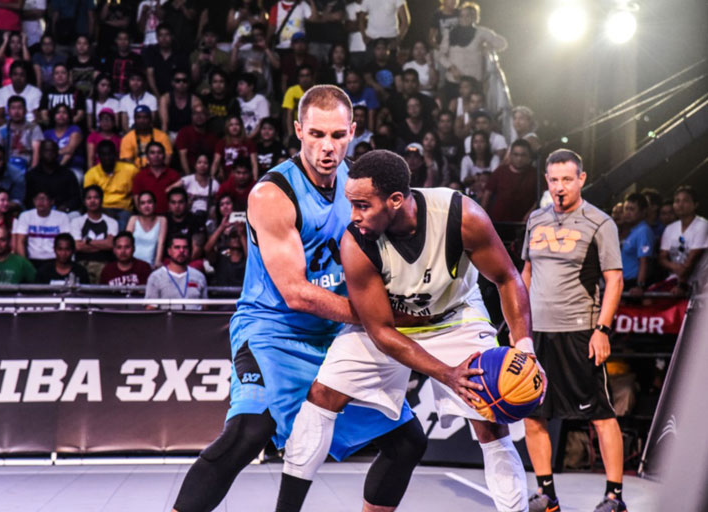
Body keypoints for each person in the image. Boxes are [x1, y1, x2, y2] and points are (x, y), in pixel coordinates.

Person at [170, 85, 412, 512]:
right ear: (298, 130)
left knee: (407, 442)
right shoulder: (272, 194)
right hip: (273, 329)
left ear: (353, 131)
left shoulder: (360, 188)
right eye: (316, 134)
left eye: (337, 135)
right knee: (248, 433)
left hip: (335, 334)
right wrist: (378, 318)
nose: (327, 147)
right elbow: (296, 293)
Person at [277, 148, 540, 512]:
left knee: (490, 422)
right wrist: (446, 373)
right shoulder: (356, 242)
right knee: (322, 394)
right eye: (350, 204)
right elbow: (381, 331)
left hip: (454, 317)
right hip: (393, 324)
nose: (353, 216)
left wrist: (524, 347)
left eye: (362, 205)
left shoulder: (461, 216)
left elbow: (508, 279)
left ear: (396, 200)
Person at [522, 149, 626, 512]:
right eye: (553, 180)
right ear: (546, 181)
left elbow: (614, 280)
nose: (559, 187)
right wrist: (520, 327)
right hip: (538, 333)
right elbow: (526, 274)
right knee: (533, 414)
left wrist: (602, 330)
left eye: (567, 179)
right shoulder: (535, 220)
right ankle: (546, 494)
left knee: (600, 414)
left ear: (581, 179)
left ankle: (614, 497)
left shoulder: (600, 222)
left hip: (580, 332)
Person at [658, 185, 708, 296]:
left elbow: (692, 260)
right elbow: (662, 258)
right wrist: (676, 267)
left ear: (695, 205)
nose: (680, 205)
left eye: (685, 201)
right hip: (674, 280)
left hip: (699, 284)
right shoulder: (670, 228)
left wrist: (682, 284)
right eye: (677, 201)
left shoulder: (703, 225)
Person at [84, 140, 138, 230]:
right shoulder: (91, 174)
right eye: (104, 155)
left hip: (124, 209)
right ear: (98, 156)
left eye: (110, 154)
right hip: (101, 209)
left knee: (121, 226)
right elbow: (89, 199)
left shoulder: (131, 170)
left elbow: (139, 191)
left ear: (116, 155)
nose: (107, 157)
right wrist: (104, 211)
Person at [145, 233, 207, 310]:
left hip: (195, 317)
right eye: (177, 247)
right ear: (169, 251)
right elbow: (151, 309)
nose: (181, 251)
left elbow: (205, 308)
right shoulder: (156, 277)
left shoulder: (199, 276)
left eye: (185, 247)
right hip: (167, 317)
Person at [481, 139, 538, 223]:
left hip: (524, 224)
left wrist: (531, 214)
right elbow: (486, 195)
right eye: (516, 155)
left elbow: (541, 197)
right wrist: (483, 218)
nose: (519, 158)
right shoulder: (500, 171)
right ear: (510, 156)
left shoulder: (536, 174)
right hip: (499, 222)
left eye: (523, 155)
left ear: (529, 157)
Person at [72, 185, 119, 283]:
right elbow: (77, 246)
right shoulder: (77, 222)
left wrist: (88, 242)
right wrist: (102, 244)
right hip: (82, 264)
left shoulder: (112, 222)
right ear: (84, 201)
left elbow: (110, 245)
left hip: (104, 264)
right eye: (89, 198)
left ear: (101, 200)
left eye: (96, 197)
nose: (92, 201)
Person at [14, 189, 72, 267]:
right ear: (34, 201)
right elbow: (20, 242)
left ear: (52, 201)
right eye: (38, 199)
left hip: (55, 260)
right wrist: (25, 264)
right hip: (32, 260)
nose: (40, 202)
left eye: (44, 198)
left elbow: (65, 242)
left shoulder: (62, 217)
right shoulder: (25, 216)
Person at [25, 140, 81, 213]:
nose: (49, 153)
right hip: (37, 213)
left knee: (75, 214)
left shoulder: (67, 174)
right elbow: (27, 199)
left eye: (52, 150)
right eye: (46, 150)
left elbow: (76, 198)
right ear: (40, 153)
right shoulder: (31, 175)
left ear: (57, 153)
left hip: (63, 213)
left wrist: (66, 207)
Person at [0, 95, 44, 173]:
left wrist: (32, 173)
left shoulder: (34, 128)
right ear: (8, 111)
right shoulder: (1, 130)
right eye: (13, 108)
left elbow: (36, 153)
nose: (16, 112)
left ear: (25, 111)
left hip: (28, 168)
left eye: (20, 108)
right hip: (6, 170)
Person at [619, 192, 654, 296]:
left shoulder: (644, 231)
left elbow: (644, 261)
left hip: (633, 285)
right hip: (623, 283)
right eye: (626, 209)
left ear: (643, 212)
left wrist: (639, 286)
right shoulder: (631, 230)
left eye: (632, 209)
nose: (628, 213)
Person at [132, 141, 180, 214]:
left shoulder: (173, 175)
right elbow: (137, 201)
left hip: (169, 215)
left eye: (159, 152)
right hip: (148, 216)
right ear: (147, 156)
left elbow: (179, 199)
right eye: (152, 153)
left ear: (164, 155)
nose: (156, 155)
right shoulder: (140, 176)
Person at [143, 23, 190, 98]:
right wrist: (158, 97)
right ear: (157, 37)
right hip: (153, 95)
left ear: (172, 37)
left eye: (167, 35)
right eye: (160, 35)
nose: (164, 38)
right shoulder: (151, 51)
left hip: (175, 96)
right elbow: (150, 74)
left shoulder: (180, 54)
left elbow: (182, 79)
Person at [120, 105, 173, 169]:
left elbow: (167, 157)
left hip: (158, 170)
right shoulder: (127, 138)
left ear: (150, 119)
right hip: (136, 172)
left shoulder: (162, 136)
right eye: (138, 117)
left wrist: (158, 171)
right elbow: (127, 161)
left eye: (145, 117)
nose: (142, 120)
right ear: (134, 119)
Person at [175, 102, 220, 175]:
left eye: (202, 113)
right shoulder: (184, 132)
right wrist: (189, 177)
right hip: (188, 172)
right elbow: (183, 156)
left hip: (207, 173)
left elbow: (217, 158)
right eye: (195, 113)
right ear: (191, 117)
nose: (199, 116)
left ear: (207, 116)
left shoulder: (213, 136)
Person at [0, 60, 42, 125]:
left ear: (26, 77)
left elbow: (38, 118)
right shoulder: (1, 92)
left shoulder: (36, 92)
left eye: (22, 75)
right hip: (8, 128)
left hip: (30, 128)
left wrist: (25, 129)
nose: (18, 78)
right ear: (10, 75)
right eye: (15, 74)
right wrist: (12, 128)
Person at [127, 190, 167, 268]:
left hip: (151, 266)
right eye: (143, 203)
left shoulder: (162, 220)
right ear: (139, 207)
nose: (146, 206)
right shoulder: (133, 219)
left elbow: (161, 243)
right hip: (132, 265)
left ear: (155, 204)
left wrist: (157, 262)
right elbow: (126, 242)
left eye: (149, 202)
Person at [211, 115, 259, 181]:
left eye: (237, 124)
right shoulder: (222, 143)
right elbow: (216, 162)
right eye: (231, 125)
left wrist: (255, 180)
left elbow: (254, 163)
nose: (234, 127)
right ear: (227, 127)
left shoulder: (249, 143)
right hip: (227, 180)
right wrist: (212, 178)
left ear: (241, 126)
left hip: (246, 179)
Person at [159, 68, 202, 138]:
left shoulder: (195, 100)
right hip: (171, 133)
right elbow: (164, 124)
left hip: (188, 134)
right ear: (172, 83)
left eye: (184, 81)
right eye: (177, 81)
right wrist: (164, 141)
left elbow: (197, 124)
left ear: (189, 83)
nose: (181, 83)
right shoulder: (165, 99)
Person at [101, 30, 145, 98]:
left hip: (130, 95)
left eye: (125, 39)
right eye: (120, 39)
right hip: (112, 94)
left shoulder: (136, 58)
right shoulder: (110, 57)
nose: (123, 42)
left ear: (130, 41)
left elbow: (140, 78)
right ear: (116, 41)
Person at [282, 65, 315, 140]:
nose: (305, 79)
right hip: (297, 129)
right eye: (302, 76)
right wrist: (290, 135)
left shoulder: (317, 91)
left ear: (312, 77)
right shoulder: (292, 91)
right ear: (298, 78)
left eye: (307, 75)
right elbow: (288, 114)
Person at [235, 73, 269, 140]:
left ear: (251, 86)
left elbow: (263, 121)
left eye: (241, 84)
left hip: (257, 138)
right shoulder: (237, 101)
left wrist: (249, 137)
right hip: (239, 138)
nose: (238, 87)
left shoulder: (260, 100)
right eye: (238, 84)